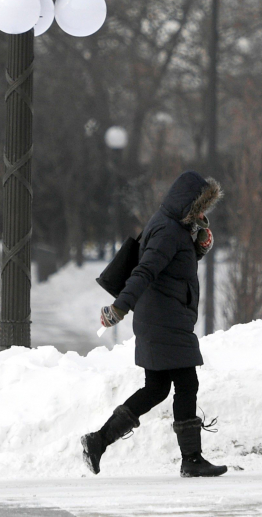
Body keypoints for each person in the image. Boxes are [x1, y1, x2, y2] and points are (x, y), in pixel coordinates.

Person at [82, 170, 227, 478]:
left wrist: (198, 247)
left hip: (162, 318)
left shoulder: (173, 227)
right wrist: (120, 307)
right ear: (188, 203)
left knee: (157, 388)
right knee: (187, 384)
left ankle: (98, 441)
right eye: (201, 207)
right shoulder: (168, 231)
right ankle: (192, 458)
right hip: (165, 320)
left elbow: (172, 267)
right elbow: (145, 271)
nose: (203, 214)